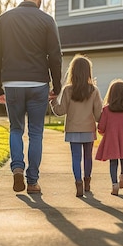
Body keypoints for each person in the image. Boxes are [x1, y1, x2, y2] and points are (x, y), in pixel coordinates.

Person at [0, 0, 62, 194]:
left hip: (12, 83)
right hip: (38, 83)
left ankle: (17, 168)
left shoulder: (4, 19)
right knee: (36, 133)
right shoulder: (47, 20)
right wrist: (56, 86)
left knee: (16, 128)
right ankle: (32, 182)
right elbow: (55, 57)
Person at [50, 55, 103, 197]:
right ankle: (87, 183)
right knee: (87, 157)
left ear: (72, 72)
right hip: (89, 130)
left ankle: (78, 183)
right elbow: (99, 115)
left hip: (73, 130)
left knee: (76, 158)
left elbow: (60, 111)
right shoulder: (94, 90)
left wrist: (53, 101)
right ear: (88, 72)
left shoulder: (68, 90)